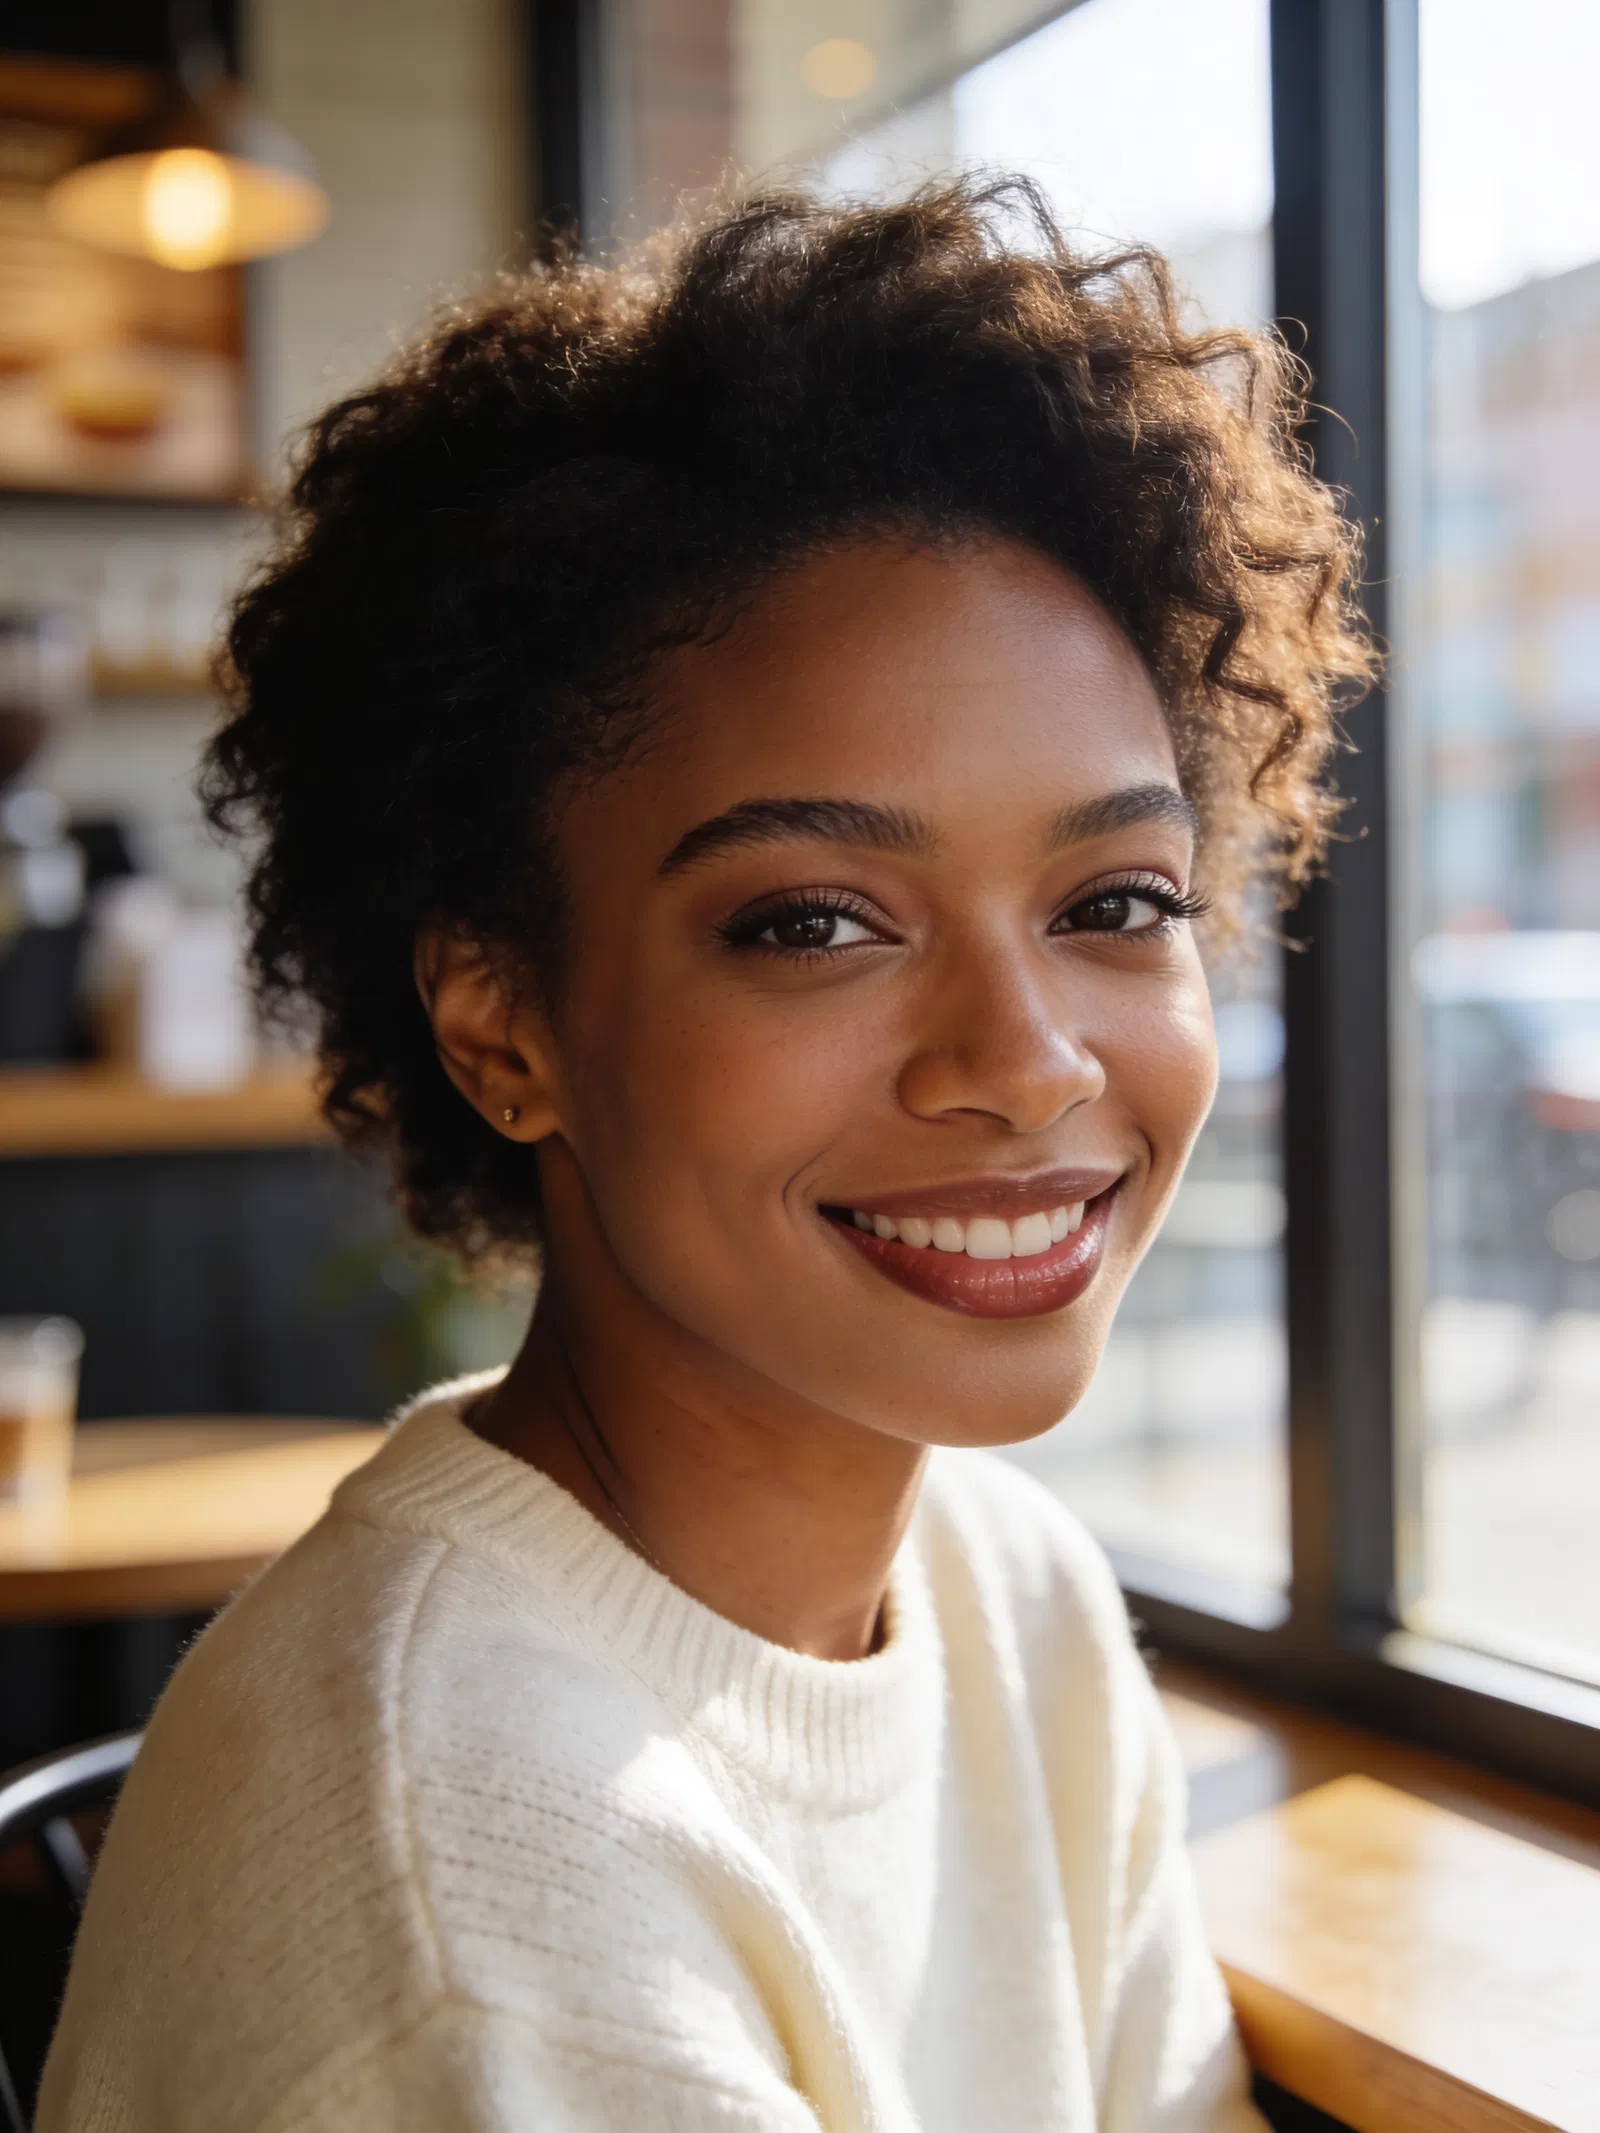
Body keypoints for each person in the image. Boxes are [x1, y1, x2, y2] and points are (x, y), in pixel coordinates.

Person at [38, 178, 1369, 2133]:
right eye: (813, 920)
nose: (1024, 1060)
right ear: (503, 1027)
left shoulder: (1001, 1587)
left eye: (1115, 896)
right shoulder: (476, 1891)